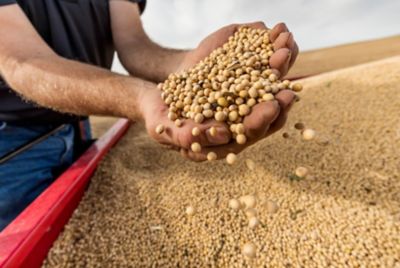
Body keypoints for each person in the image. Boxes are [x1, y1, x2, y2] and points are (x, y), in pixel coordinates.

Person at [0, 0, 298, 231]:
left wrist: (188, 65)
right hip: (12, 142)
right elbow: (21, 61)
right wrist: (140, 98)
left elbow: (135, 49)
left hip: (75, 123)